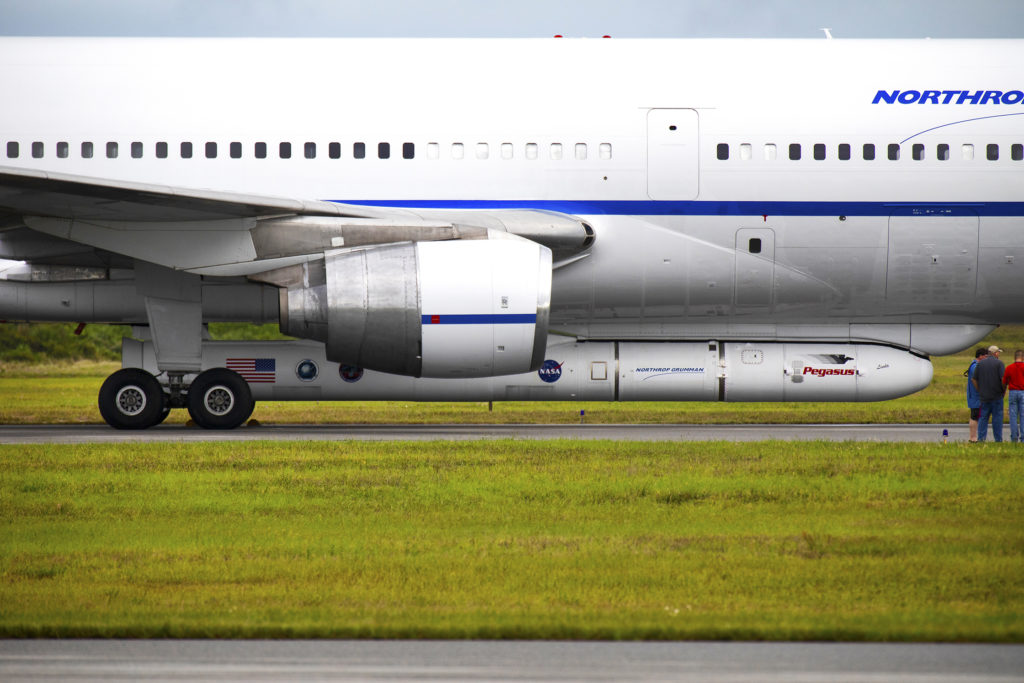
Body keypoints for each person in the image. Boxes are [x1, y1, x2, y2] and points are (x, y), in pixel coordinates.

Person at [973, 345, 1006, 442]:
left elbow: (974, 379)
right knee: (997, 419)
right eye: (998, 352)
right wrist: (1003, 390)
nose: (998, 354)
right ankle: (998, 440)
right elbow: (1003, 380)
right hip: (997, 396)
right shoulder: (999, 363)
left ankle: (981, 439)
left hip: (984, 397)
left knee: (983, 418)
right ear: (995, 353)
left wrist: (979, 390)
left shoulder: (980, 363)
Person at [966, 347, 987, 442]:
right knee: (974, 416)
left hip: (975, 396)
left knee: (976, 416)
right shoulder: (975, 366)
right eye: (985, 356)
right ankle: (973, 437)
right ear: (981, 356)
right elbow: (976, 379)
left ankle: (974, 437)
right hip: (975, 396)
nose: (987, 359)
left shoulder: (975, 365)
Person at [1004, 349, 1024, 443]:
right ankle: (1023, 438)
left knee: (1013, 416)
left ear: (1014, 357)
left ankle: (1014, 437)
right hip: (1022, 392)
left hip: (1012, 392)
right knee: (1023, 415)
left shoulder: (1009, 367)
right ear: (1022, 357)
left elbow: (1004, 381)